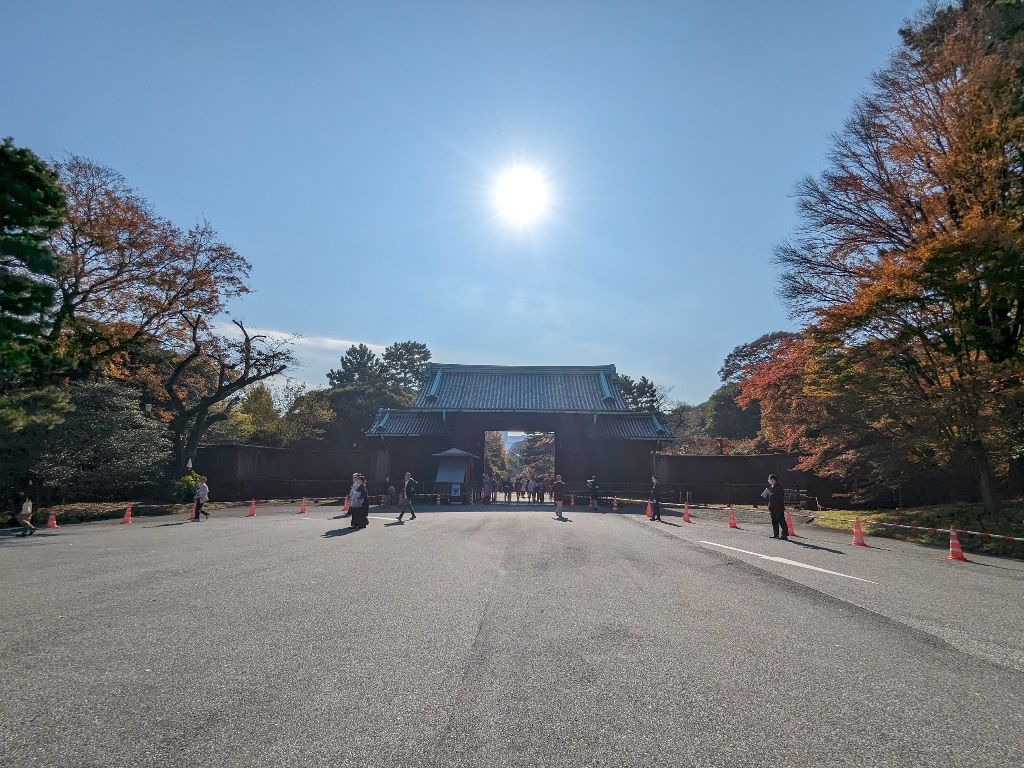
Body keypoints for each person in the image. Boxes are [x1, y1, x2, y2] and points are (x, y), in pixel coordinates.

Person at [765, 473, 788, 540]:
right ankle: (775, 534)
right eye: (769, 480)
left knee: (781, 520)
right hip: (773, 507)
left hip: (778, 507)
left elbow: (779, 497)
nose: (770, 481)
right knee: (774, 521)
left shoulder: (779, 487)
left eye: (771, 479)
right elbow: (771, 498)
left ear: (774, 480)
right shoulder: (772, 487)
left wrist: (770, 494)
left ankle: (785, 534)